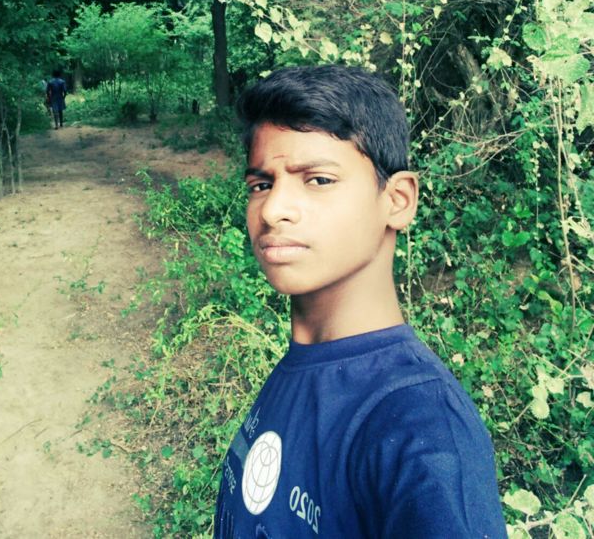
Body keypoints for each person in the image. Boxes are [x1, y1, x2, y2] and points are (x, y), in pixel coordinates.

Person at [214, 65, 507, 539]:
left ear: (398, 200)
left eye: (318, 180)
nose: (272, 210)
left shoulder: (421, 429)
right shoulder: (306, 364)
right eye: (261, 185)